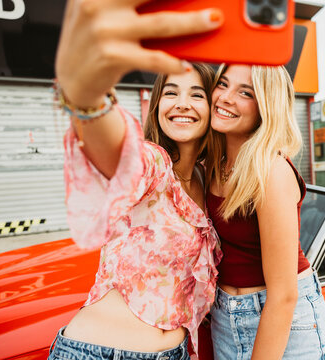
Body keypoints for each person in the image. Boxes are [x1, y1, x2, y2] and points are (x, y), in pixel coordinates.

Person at [49, 1, 224, 359]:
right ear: (157, 105)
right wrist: (86, 97)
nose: (182, 103)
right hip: (100, 352)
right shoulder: (154, 162)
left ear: (212, 108)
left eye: (197, 94)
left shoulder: (209, 181)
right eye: (171, 92)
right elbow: (121, 154)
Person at [205, 64, 325, 359]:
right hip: (225, 317)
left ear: (266, 106)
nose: (225, 97)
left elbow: (283, 295)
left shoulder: (271, 171)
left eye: (245, 92)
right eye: (223, 84)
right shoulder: (214, 165)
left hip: (284, 323)